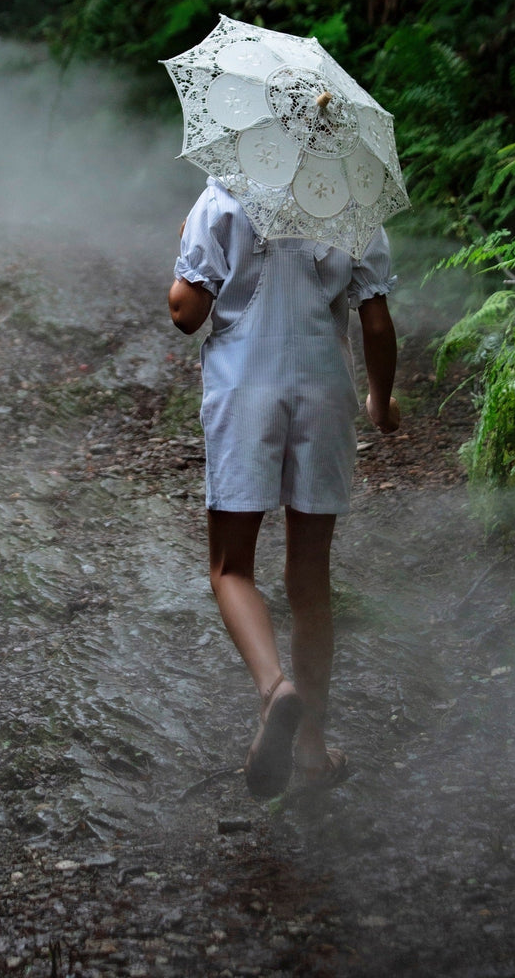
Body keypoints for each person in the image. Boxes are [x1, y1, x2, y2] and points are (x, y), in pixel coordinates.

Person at [168, 176, 400, 798]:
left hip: (246, 389)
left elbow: (186, 313)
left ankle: (276, 689)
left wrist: (184, 275)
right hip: (323, 391)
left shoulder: (223, 197)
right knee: (309, 578)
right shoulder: (352, 200)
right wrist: (380, 399)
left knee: (230, 566)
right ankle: (313, 749)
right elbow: (375, 324)